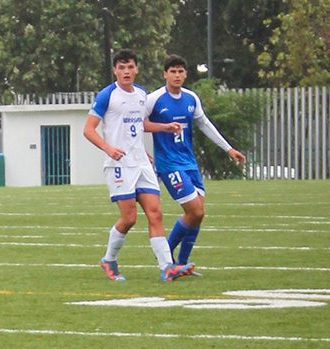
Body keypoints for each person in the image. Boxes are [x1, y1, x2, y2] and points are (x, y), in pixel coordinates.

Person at [83, 48, 195, 282]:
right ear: (115, 70)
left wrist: (164, 128)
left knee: (156, 214)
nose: (126, 71)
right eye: (121, 67)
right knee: (130, 218)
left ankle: (167, 267)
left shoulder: (141, 94)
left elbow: (140, 125)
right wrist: (109, 149)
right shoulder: (107, 95)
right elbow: (88, 129)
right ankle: (109, 259)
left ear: (136, 69)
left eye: (130, 67)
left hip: (141, 164)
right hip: (119, 165)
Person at [146, 54, 247, 274]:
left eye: (181, 71)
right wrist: (143, 152)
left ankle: (182, 263)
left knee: (198, 214)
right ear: (164, 74)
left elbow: (205, 124)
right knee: (194, 210)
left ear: (186, 74)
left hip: (189, 162)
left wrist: (228, 148)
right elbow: (139, 125)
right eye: (172, 71)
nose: (177, 75)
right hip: (169, 164)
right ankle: (166, 256)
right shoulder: (154, 99)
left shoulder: (191, 98)